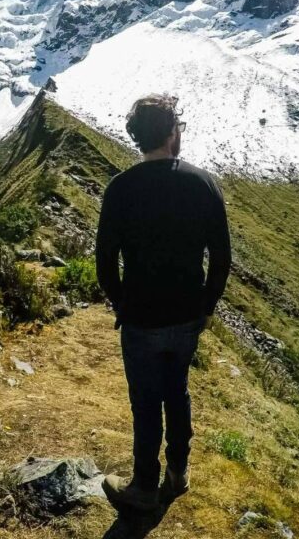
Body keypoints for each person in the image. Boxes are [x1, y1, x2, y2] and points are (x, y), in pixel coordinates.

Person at [95, 93, 232, 511]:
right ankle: (178, 472)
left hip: (141, 318)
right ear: (173, 133)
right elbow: (222, 258)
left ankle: (143, 485)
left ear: (138, 137)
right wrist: (206, 307)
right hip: (187, 315)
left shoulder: (120, 189)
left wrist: (124, 302)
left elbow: (104, 262)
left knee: (145, 401)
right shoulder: (203, 183)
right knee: (178, 391)